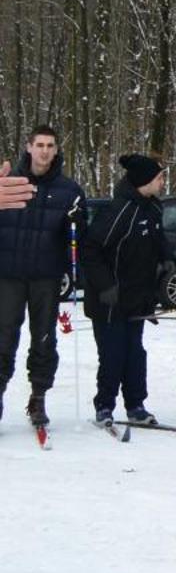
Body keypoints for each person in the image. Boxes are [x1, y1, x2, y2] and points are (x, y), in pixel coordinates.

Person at [0, 126, 86, 429]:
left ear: (56, 149)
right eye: (39, 145)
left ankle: (38, 397)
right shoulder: (8, 184)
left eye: (50, 145)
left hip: (45, 278)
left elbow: (77, 239)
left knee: (44, 340)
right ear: (29, 147)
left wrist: (77, 225)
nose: (45, 151)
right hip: (8, 275)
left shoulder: (69, 190)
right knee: (4, 337)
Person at [80, 153, 170, 426]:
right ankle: (104, 406)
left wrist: (166, 259)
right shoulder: (119, 210)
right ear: (144, 181)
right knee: (113, 354)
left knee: (135, 353)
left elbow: (156, 239)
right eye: (158, 178)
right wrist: (105, 285)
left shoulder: (153, 207)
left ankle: (136, 405)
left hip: (137, 298)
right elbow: (90, 249)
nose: (163, 182)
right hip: (109, 299)